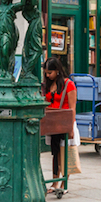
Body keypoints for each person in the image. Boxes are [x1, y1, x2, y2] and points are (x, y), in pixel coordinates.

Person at [41, 57, 78, 193]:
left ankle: (64, 184)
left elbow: (73, 107)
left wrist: (70, 127)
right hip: (52, 122)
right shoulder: (48, 84)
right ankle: (54, 182)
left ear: (57, 71)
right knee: (55, 153)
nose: (47, 75)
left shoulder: (69, 84)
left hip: (65, 122)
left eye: (49, 72)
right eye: (46, 72)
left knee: (66, 153)